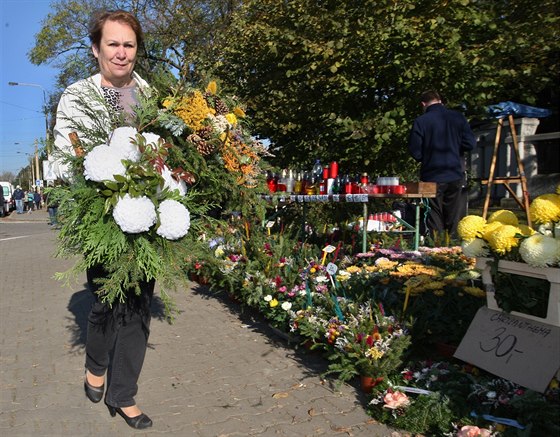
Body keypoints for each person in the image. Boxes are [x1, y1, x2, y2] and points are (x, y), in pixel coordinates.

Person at [53, 9, 153, 429]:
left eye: (128, 45)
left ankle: (123, 393)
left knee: (141, 306)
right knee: (106, 303)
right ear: (96, 49)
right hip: (98, 215)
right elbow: (63, 158)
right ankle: (96, 365)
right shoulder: (77, 96)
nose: (121, 52)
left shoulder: (148, 93)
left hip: (145, 214)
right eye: (113, 43)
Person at [408, 90, 476, 239]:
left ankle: (436, 249)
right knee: (453, 213)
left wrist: (427, 158)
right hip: (454, 172)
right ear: (440, 101)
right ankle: (454, 248)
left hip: (431, 174)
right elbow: (470, 143)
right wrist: (454, 149)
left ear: (423, 104)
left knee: (433, 213)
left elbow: (415, 150)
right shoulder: (458, 117)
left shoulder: (421, 121)